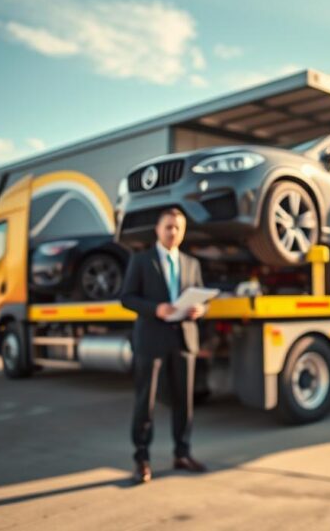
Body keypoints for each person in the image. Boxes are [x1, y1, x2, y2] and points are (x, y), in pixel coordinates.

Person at [121, 207, 208, 484]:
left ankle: (182, 453)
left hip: (183, 338)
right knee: (145, 402)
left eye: (178, 228)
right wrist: (155, 308)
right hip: (151, 339)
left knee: (184, 401)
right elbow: (127, 298)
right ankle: (142, 459)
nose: (173, 232)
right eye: (169, 227)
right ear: (158, 230)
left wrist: (199, 311)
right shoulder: (141, 260)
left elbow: (202, 298)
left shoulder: (191, 263)